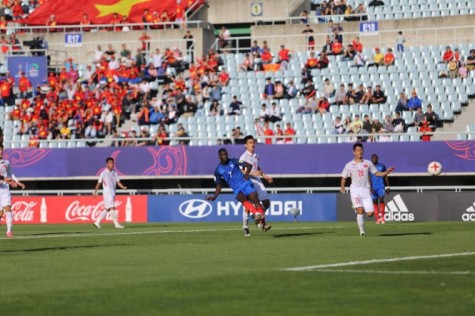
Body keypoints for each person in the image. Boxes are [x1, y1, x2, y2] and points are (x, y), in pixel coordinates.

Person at [206, 148, 271, 236]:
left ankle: (262, 223)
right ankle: (255, 217)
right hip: (236, 188)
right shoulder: (218, 170)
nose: (225, 156)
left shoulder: (234, 161)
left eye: (226, 154)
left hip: (245, 184)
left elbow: (248, 165)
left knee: (255, 199)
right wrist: (214, 197)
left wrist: (247, 175)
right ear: (219, 156)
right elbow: (219, 185)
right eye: (223, 155)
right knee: (241, 198)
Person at [340, 143, 394, 236]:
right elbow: (344, 177)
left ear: (363, 151)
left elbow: (376, 173)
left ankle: (357, 208)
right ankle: (362, 231)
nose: (359, 152)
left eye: (361, 150)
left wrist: (386, 172)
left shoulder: (368, 163)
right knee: (360, 211)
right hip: (355, 190)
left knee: (370, 213)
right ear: (354, 152)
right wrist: (342, 187)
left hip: (366, 189)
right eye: (357, 150)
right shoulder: (349, 165)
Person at [240, 135, 274, 230]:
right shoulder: (243, 157)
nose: (252, 144)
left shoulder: (256, 156)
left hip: (257, 180)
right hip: (248, 181)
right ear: (245, 145)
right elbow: (241, 171)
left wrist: (265, 176)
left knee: (266, 203)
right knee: (253, 204)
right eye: (250, 143)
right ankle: (256, 224)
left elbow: (257, 168)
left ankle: (256, 217)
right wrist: (253, 173)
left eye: (253, 142)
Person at [93, 157, 127, 229]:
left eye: (112, 163)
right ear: (107, 164)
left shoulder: (115, 173)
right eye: (110, 163)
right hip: (107, 192)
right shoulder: (103, 173)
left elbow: (118, 182)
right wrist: (95, 191)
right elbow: (99, 183)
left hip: (113, 192)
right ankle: (116, 224)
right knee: (112, 207)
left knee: (107, 208)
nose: (112, 164)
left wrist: (123, 187)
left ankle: (97, 222)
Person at [0, 146, 25, 238]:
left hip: (5, 188)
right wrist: (5, 179)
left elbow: (10, 174)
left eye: (1, 150)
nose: (0, 152)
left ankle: (9, 231)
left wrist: (17, 181)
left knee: (8, 208)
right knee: (1, 213)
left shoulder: (6, 162)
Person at [370, 154, 390, 225]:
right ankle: (377, 219)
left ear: (377, 158)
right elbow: (368, 178)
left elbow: (385, 176)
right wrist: (370, 187)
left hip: (381, 186)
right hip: (373, 187)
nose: (374, 159)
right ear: (371, 159)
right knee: (375, 202)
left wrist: (387, 187)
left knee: (381, 200)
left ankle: (382, 218)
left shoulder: (382, 166)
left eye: (375, 157)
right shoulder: (369, 167)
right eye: (373, 158)